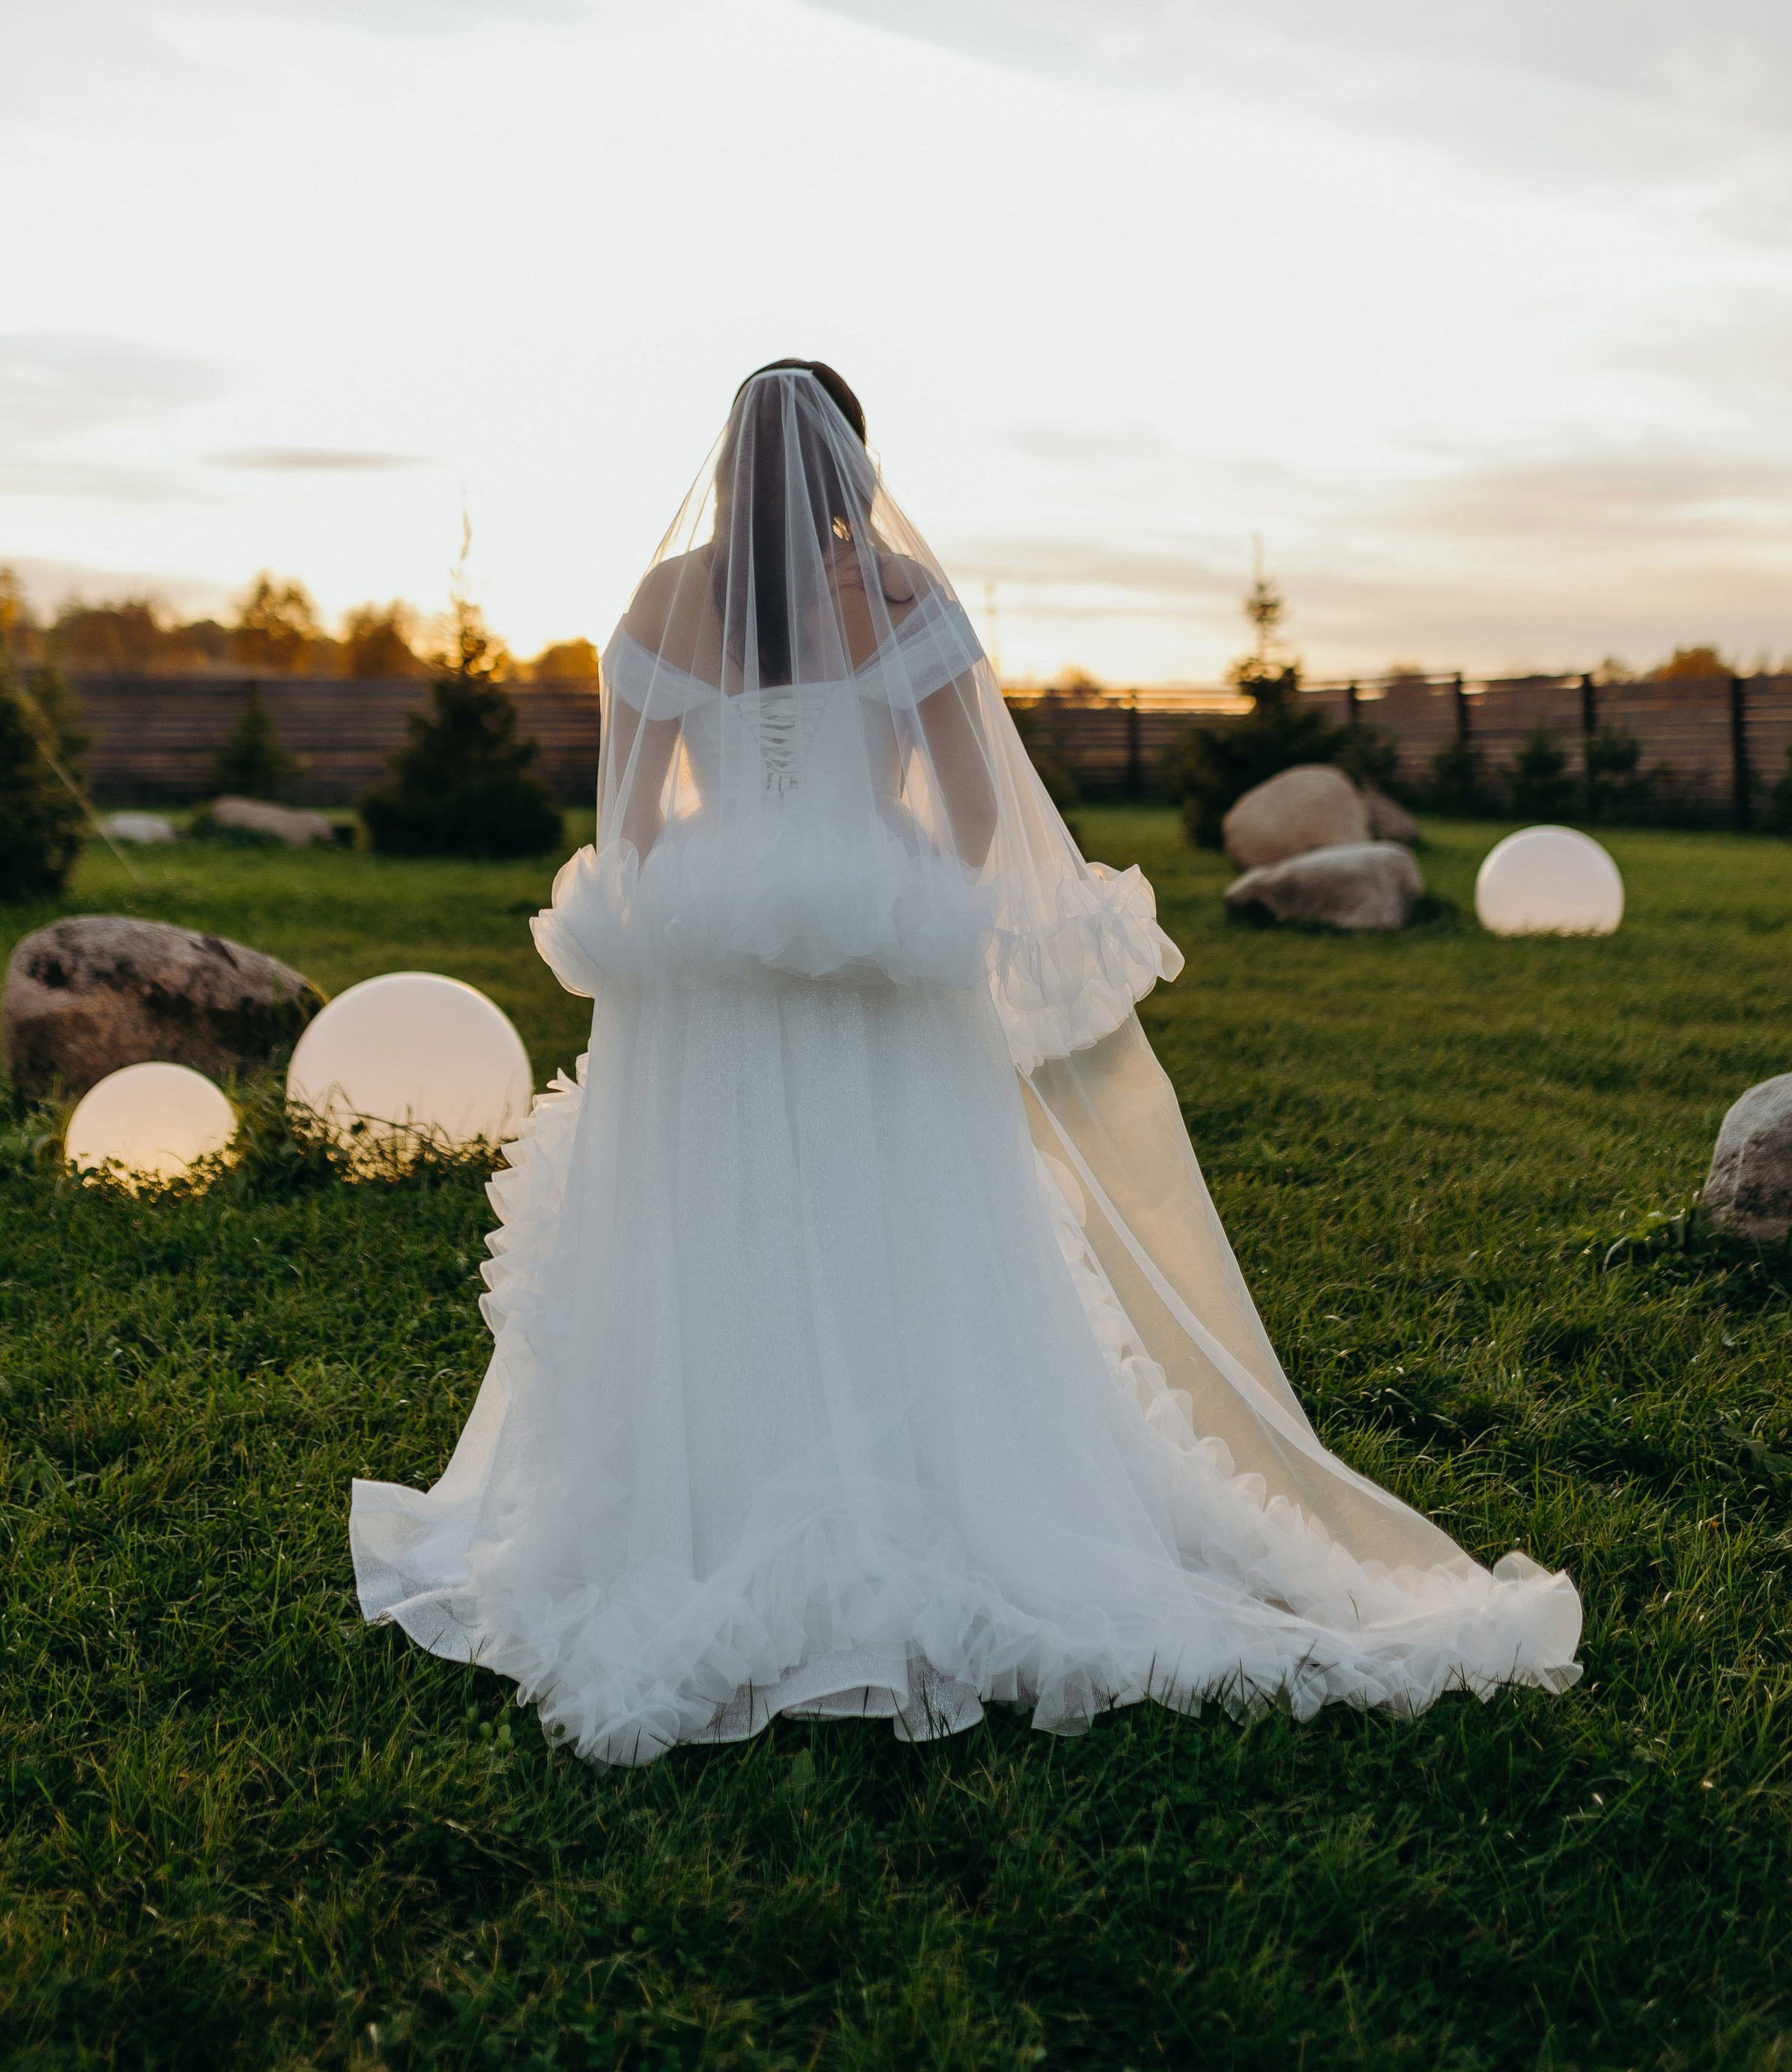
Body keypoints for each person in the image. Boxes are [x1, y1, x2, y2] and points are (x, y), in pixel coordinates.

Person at [351, 362, 1580, 1765]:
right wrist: (882, 884)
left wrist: (713, 894)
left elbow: (626, 819)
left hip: (702, 949)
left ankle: (712, 1488)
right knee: (902, 1223)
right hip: (883, 933)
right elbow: (982, 811)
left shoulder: (663, 601)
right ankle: (928, 1477)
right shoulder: (901, 598)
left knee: (716, 1217)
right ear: (853, 471)